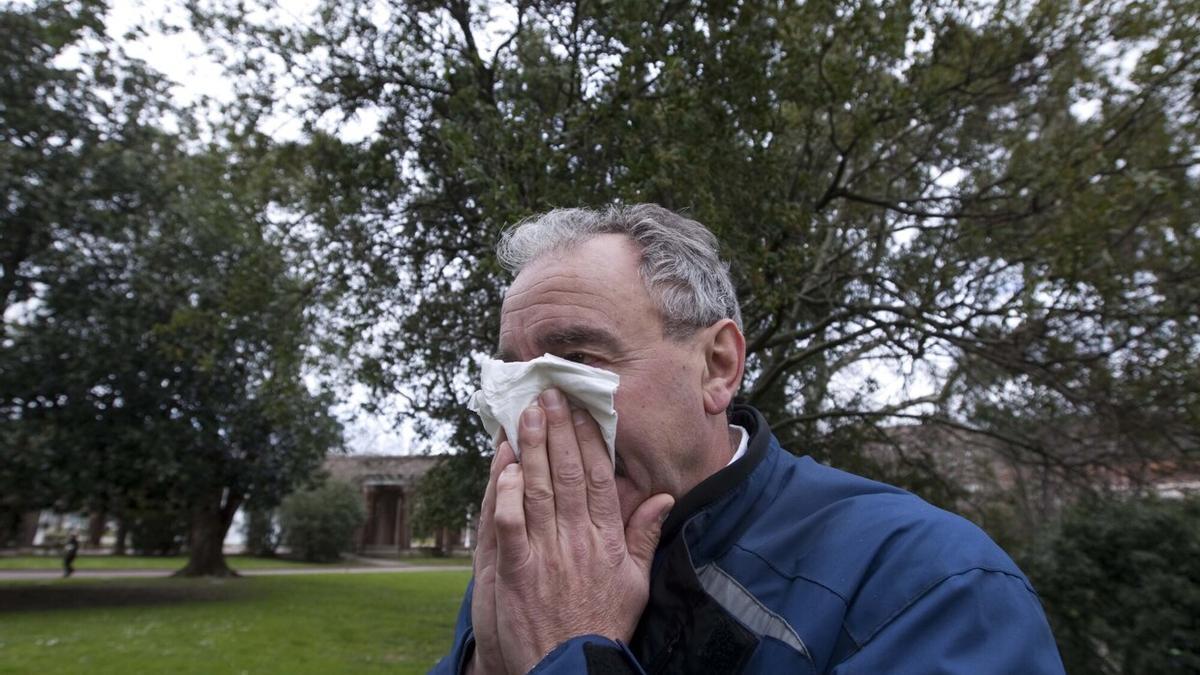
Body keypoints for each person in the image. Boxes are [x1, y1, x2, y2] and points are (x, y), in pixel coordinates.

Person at [431, 204, 1064, 674]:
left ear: (717, 367)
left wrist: (568, 651)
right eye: (513, 373)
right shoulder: (535, 558)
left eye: (577, 357)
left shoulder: (928, 584)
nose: (538, 411)